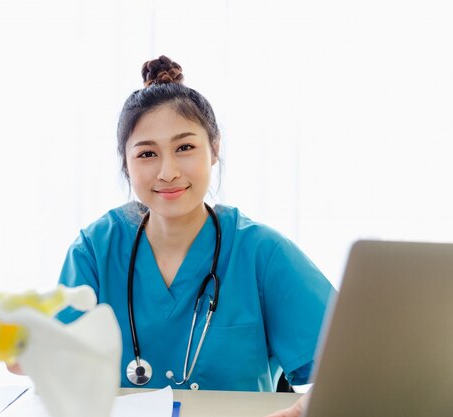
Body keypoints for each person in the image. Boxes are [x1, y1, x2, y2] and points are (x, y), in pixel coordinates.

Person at [57, 55, 335, 415]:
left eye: (184, 147)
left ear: (214, 149)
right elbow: (57, 363)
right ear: (126, 162)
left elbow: (351, 363)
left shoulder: (262, 252)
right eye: (147, 154)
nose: (168, 171)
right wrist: (26, 352)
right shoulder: (96, 250)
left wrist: (301, 410)